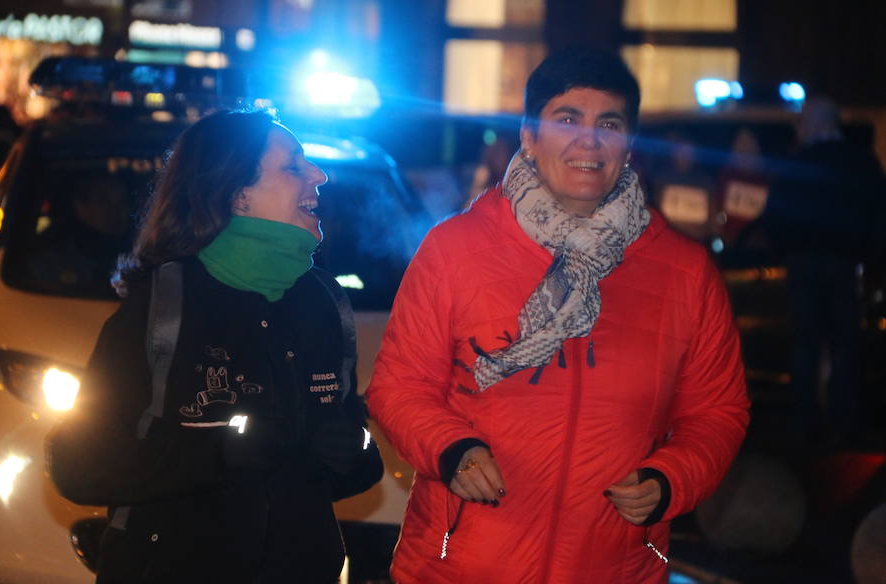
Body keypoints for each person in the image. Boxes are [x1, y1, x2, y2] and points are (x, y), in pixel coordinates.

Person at [366, 48, 749, 584]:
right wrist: (453, 449)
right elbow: (398, 385)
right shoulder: (455, 250)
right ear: (529, 135)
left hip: (615, 568)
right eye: (567, 119)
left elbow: (718, 412)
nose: (589, 142)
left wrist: (669, 478)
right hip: (461, 569)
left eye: (608, 124)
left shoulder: (684, 274)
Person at [47, 110, 383, 583]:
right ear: (238, 194)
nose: (318, 175)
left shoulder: (323, 302)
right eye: (293, 167)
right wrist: (217, 453)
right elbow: (77, 467)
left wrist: (356, 453)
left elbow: (357, 455)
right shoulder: (164, 304)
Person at [761, 96, 885, 443]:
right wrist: (869, 255)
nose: (798, 129)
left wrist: (785, 248)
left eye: (802, 122)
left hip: (803, 262)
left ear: (815, 124)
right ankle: (844, 419)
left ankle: (806, 420)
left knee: (806, 343)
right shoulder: (860, 163)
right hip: (845, 262)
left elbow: (774, 217)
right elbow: (878, 213)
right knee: (845, 342)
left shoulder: (796, 162)